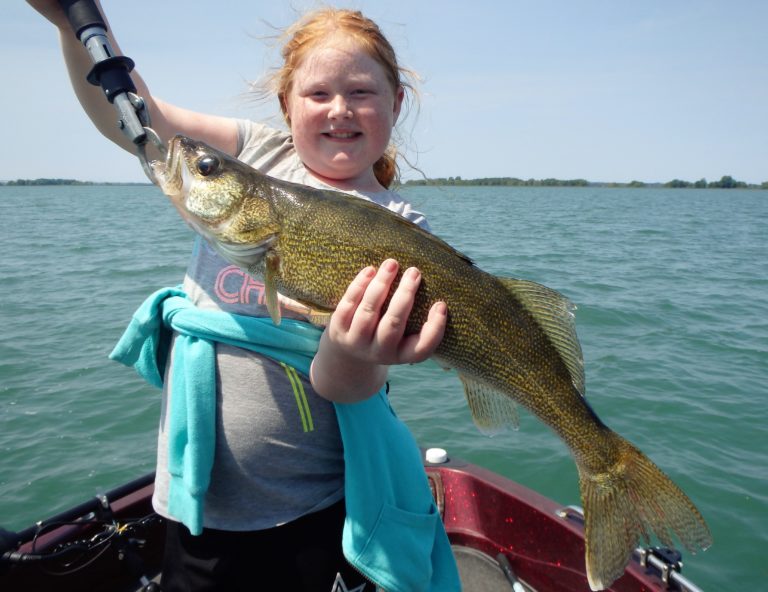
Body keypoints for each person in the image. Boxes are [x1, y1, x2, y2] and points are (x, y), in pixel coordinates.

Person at [28, 2, 458, 591]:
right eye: (318, 94)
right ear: (286, 105)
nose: (339, 109)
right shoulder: (256, 154)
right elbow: (132, 117)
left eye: (361, 92)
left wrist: (350, 349)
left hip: (316, 510)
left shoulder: (404, 231)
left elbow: (345, 386)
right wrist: (68, 25)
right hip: (197, 510)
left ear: (396, 103)